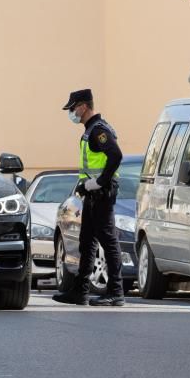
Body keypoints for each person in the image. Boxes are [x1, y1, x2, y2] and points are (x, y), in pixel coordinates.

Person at [52, 89, 125, 307]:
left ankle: (115, 292)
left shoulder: (98, 130)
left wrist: (99, 182)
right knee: (87, 243)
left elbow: (116, 155)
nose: (72, 112)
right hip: (93, 195)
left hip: (102, 194)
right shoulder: (90, 130)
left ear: (83, 106)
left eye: (73, 108)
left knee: (108, 242)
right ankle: (80, 291)